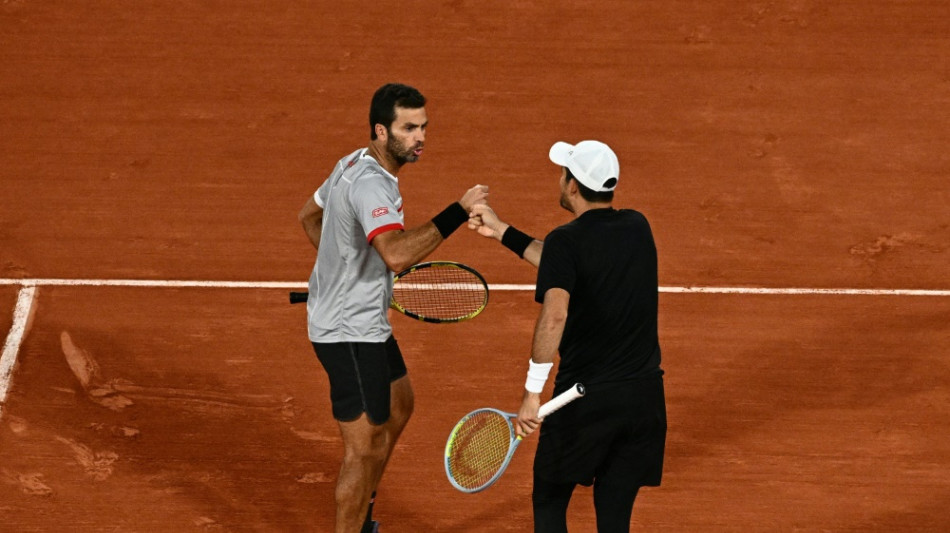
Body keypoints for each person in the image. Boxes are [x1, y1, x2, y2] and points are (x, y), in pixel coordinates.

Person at [298, 83, 488, 533]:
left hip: (363, 321)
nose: (420, 136)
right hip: (348, 332)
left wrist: (340, 275)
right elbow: (397, 255)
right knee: (362, 452)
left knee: (399, 404)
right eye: (408, 128)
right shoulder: (372, 188)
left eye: (423, 126)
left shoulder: (351, 162)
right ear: (381, 131)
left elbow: (309, 216)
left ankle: (364, 501)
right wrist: (458, 213)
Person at [468, 140, 666, 532]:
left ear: (572, 186)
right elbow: (565, 261)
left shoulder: (567, 241)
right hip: (644, 400)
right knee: (614, 516)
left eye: (563, 174)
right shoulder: (637, 226)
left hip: (585, 400)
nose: (560, 181)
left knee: (549, 498)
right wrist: (501, 231)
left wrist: (532, 392)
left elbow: (555, 315)